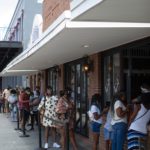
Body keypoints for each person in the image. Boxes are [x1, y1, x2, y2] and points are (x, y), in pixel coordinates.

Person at [128, 83, 150, 150]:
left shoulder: (138, 106)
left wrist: (128, 126)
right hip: (143, 133)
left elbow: (132, 118)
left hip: (134, 130)